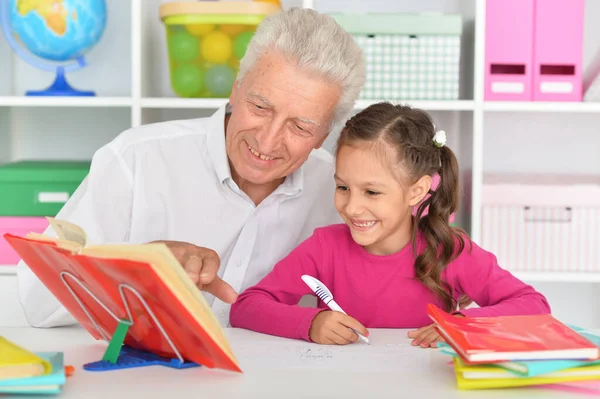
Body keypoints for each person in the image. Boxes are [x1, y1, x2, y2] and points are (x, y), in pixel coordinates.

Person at [16, 7, 366, 328]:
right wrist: (136, 266)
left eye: (300, 127)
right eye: (260, 107)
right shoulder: (136, 159)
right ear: (235, 89)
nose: (269, 140)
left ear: (323, 134)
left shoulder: (343, 190)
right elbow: (37, 299)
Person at [229, 102, 551, 347]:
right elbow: (246, 307)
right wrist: (312, 323)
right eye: (343, 187)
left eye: (371, 191)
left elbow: (534, 306)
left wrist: (462, 324)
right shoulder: (325, 247)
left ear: (417, 191)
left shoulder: (449, 251)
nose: (352, 206)